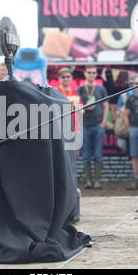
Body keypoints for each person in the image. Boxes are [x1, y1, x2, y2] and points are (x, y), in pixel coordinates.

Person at [76, 65, 109, 189]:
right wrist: (84, 108)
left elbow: (106, 106)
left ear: (96, 74)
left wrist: (104, 122)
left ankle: (97, 181)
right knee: (85, 154)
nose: (91, 74)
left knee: (98, 154)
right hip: (85, 125)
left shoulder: (101, 89)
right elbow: (76, 106)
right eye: (89, 72)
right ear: (84, 73)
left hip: (98, 125)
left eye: (93, 73)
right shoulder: (80, 89)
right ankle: (89, 181)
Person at [56, 67, 82, 223]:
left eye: (68, 76)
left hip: (74, 133)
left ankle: (74, 207)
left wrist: (80, 110)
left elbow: (80, 113)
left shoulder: (76, 95)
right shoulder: (55, 93)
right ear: (60, 78)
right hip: (60, 134)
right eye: (63, 76)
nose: (66, 79)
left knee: (72, 169)